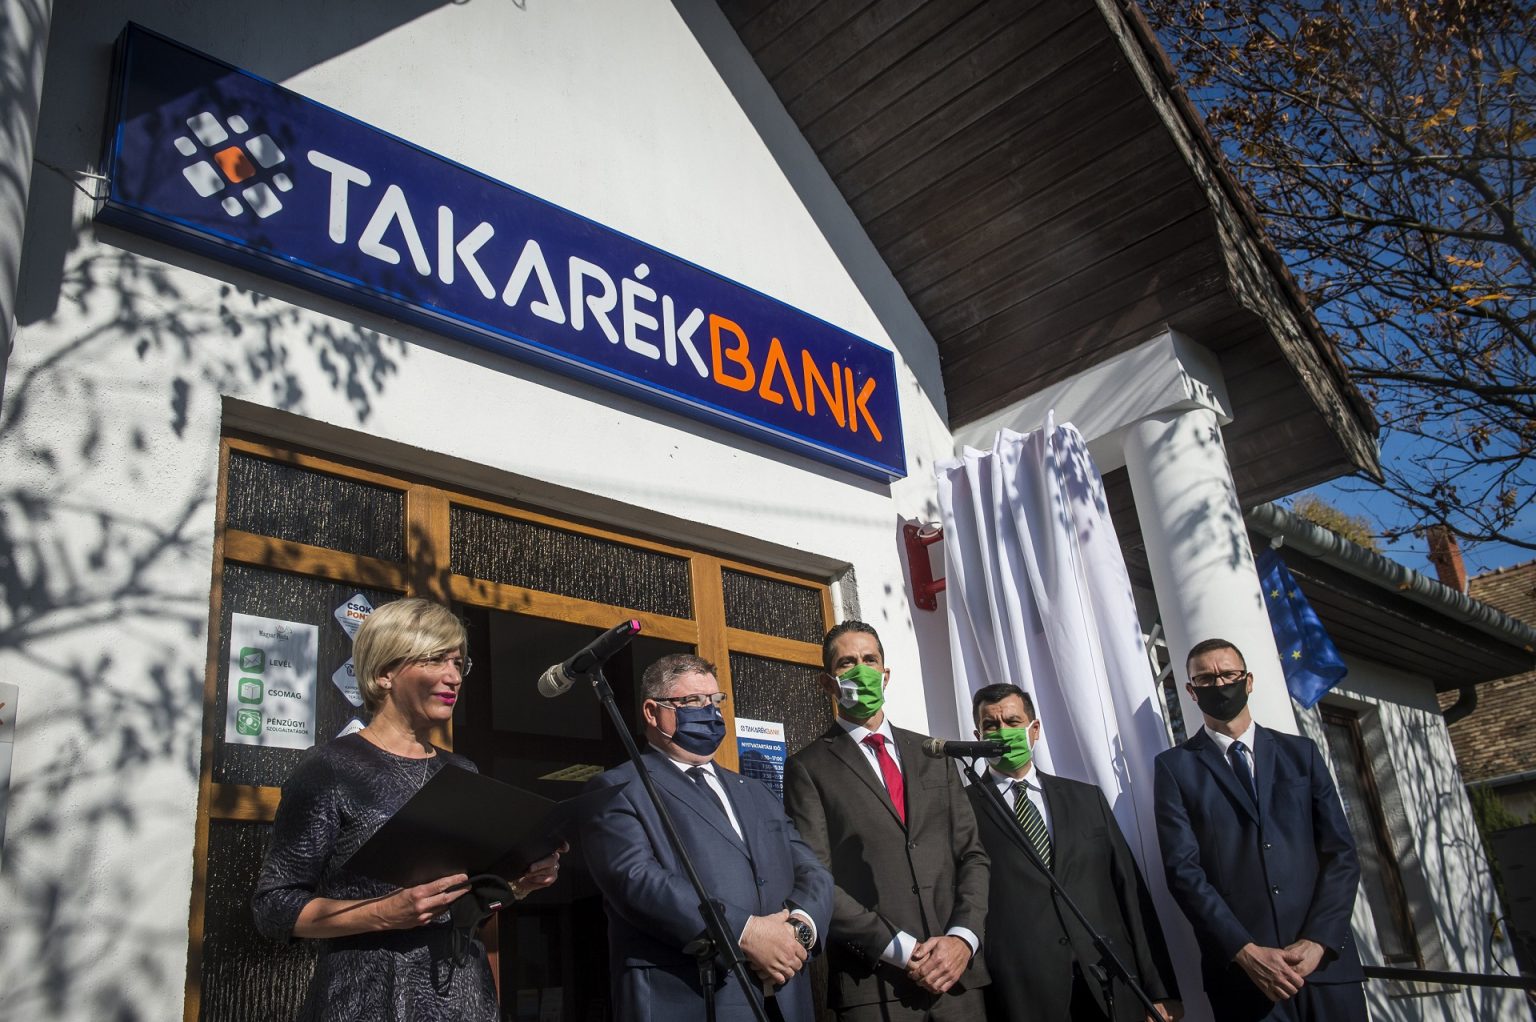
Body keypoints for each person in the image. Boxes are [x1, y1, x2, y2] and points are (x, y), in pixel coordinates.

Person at [253, 598, 562, 1021]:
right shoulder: (330, 768)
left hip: (464, 998)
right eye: (435, 660)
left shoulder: (461, 770)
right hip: (367, 999)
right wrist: (382, 914)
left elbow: (469, 901)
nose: (454, 676)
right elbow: (273, 907)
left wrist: (519, 883)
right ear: (384, 672)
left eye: (459, 663)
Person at [578, 653, 833, 1022]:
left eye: (715, 700)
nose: (710, 712)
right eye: (693, 701)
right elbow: (636, 881)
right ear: (652, 712)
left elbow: (812, 871)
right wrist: (746, 933)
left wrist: (799, 929)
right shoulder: (617, 788)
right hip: (689, 999)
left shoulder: (756, 791)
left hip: (784, 1000)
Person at [782, 620, 990, 1021]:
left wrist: (962, 939)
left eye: (870, 659)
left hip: (957, 978)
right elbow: (817, 877)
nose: (861, 670)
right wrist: (901, 948)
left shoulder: (934, 754)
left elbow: (972, 856)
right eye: (847, 663)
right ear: (828, 683)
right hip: (875, 985)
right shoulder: (808, 768)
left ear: (886, 673)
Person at [1153, 638, 1365, 1022]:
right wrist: (1245, 951)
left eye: (1228, 674)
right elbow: (1183, 872)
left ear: (1248, 681)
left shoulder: (1301, 754)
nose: (1219, 684)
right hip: (1245, 981)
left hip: (1326, 969)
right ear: (1191, 691)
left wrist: (1318, 940)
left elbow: (1341, 854)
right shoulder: (1174, 769)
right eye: (1205, 679)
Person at [966, 684, 1180, 1022]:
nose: (1003, 732)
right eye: (991, 725)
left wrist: (1160, 990)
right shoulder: (962, 810)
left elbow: (1130, 892)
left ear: (1034, 729)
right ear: (978, 737)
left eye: (1012, 721)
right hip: (1023, 995)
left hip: (1110, 985)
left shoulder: (1087, 799)